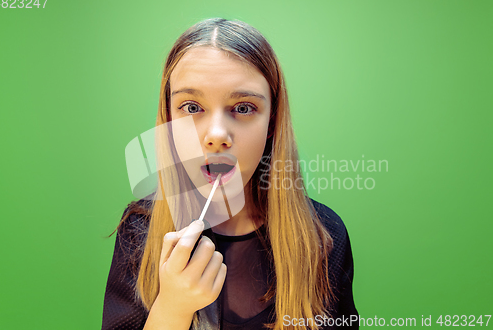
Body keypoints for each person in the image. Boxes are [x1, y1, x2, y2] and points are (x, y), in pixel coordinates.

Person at [101, 18, 359, 330]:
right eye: (192, 108)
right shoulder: (139, 231)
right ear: (169, 119)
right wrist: (172, 308)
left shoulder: (323, 236)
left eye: (244, 108)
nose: (217, 135)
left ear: (272, 123)